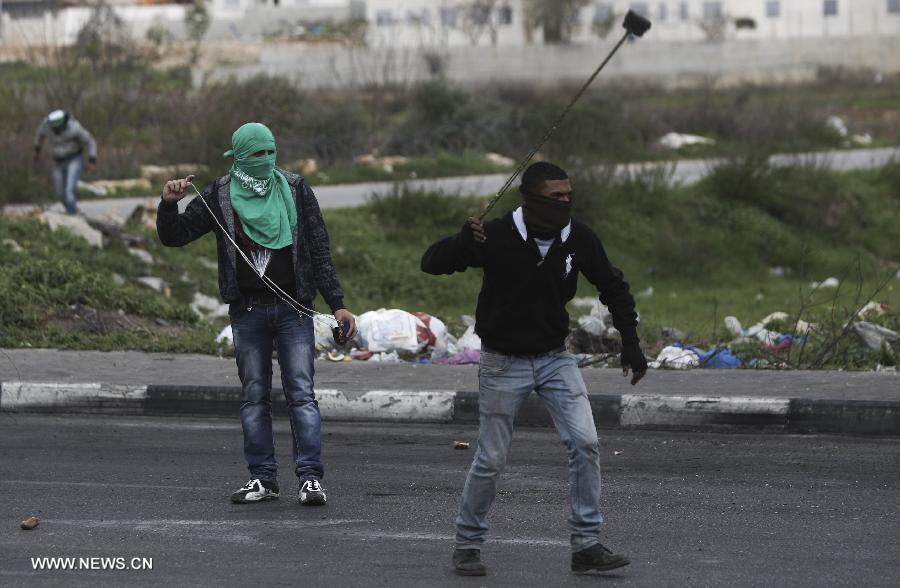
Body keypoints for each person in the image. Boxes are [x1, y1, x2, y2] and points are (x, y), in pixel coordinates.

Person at [421, 161, 648, 576]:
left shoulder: (578, 237)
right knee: (491, 458)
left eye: (569, 195)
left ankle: (586, 544)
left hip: (554, 358)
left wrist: (630, 344)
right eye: (556, 196)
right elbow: (431, 263)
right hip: (502, 362)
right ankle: (467, 545)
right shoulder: (496, 234)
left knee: (585, 442)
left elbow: (613, 286)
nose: (565, 202)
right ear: (531, 198)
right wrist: (461, 243)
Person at [156, 122, 356, 506]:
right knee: (253, 397)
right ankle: (262, 479)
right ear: (239, 157)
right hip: (247, 313)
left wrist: (337, 304)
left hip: (294, 310)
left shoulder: (296, 190)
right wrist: (168, 204)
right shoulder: (219, 194)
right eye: (256, 154)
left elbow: (319, 249)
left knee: (302, 395)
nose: (265, 161)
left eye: (270, 152)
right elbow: (175, 236)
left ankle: (311, 479)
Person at [33, 110, 97, 215]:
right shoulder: (46, 126)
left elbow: (90, 141)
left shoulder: (75, 128)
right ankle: (72, 209)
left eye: (57, 127)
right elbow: (39, 136)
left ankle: (72, 216)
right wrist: (37, 151)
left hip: (74, 159)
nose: (55, 130)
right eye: (53, 128)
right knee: (59, 193)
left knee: (69, 190)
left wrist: (92, 160)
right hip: (57, 161)